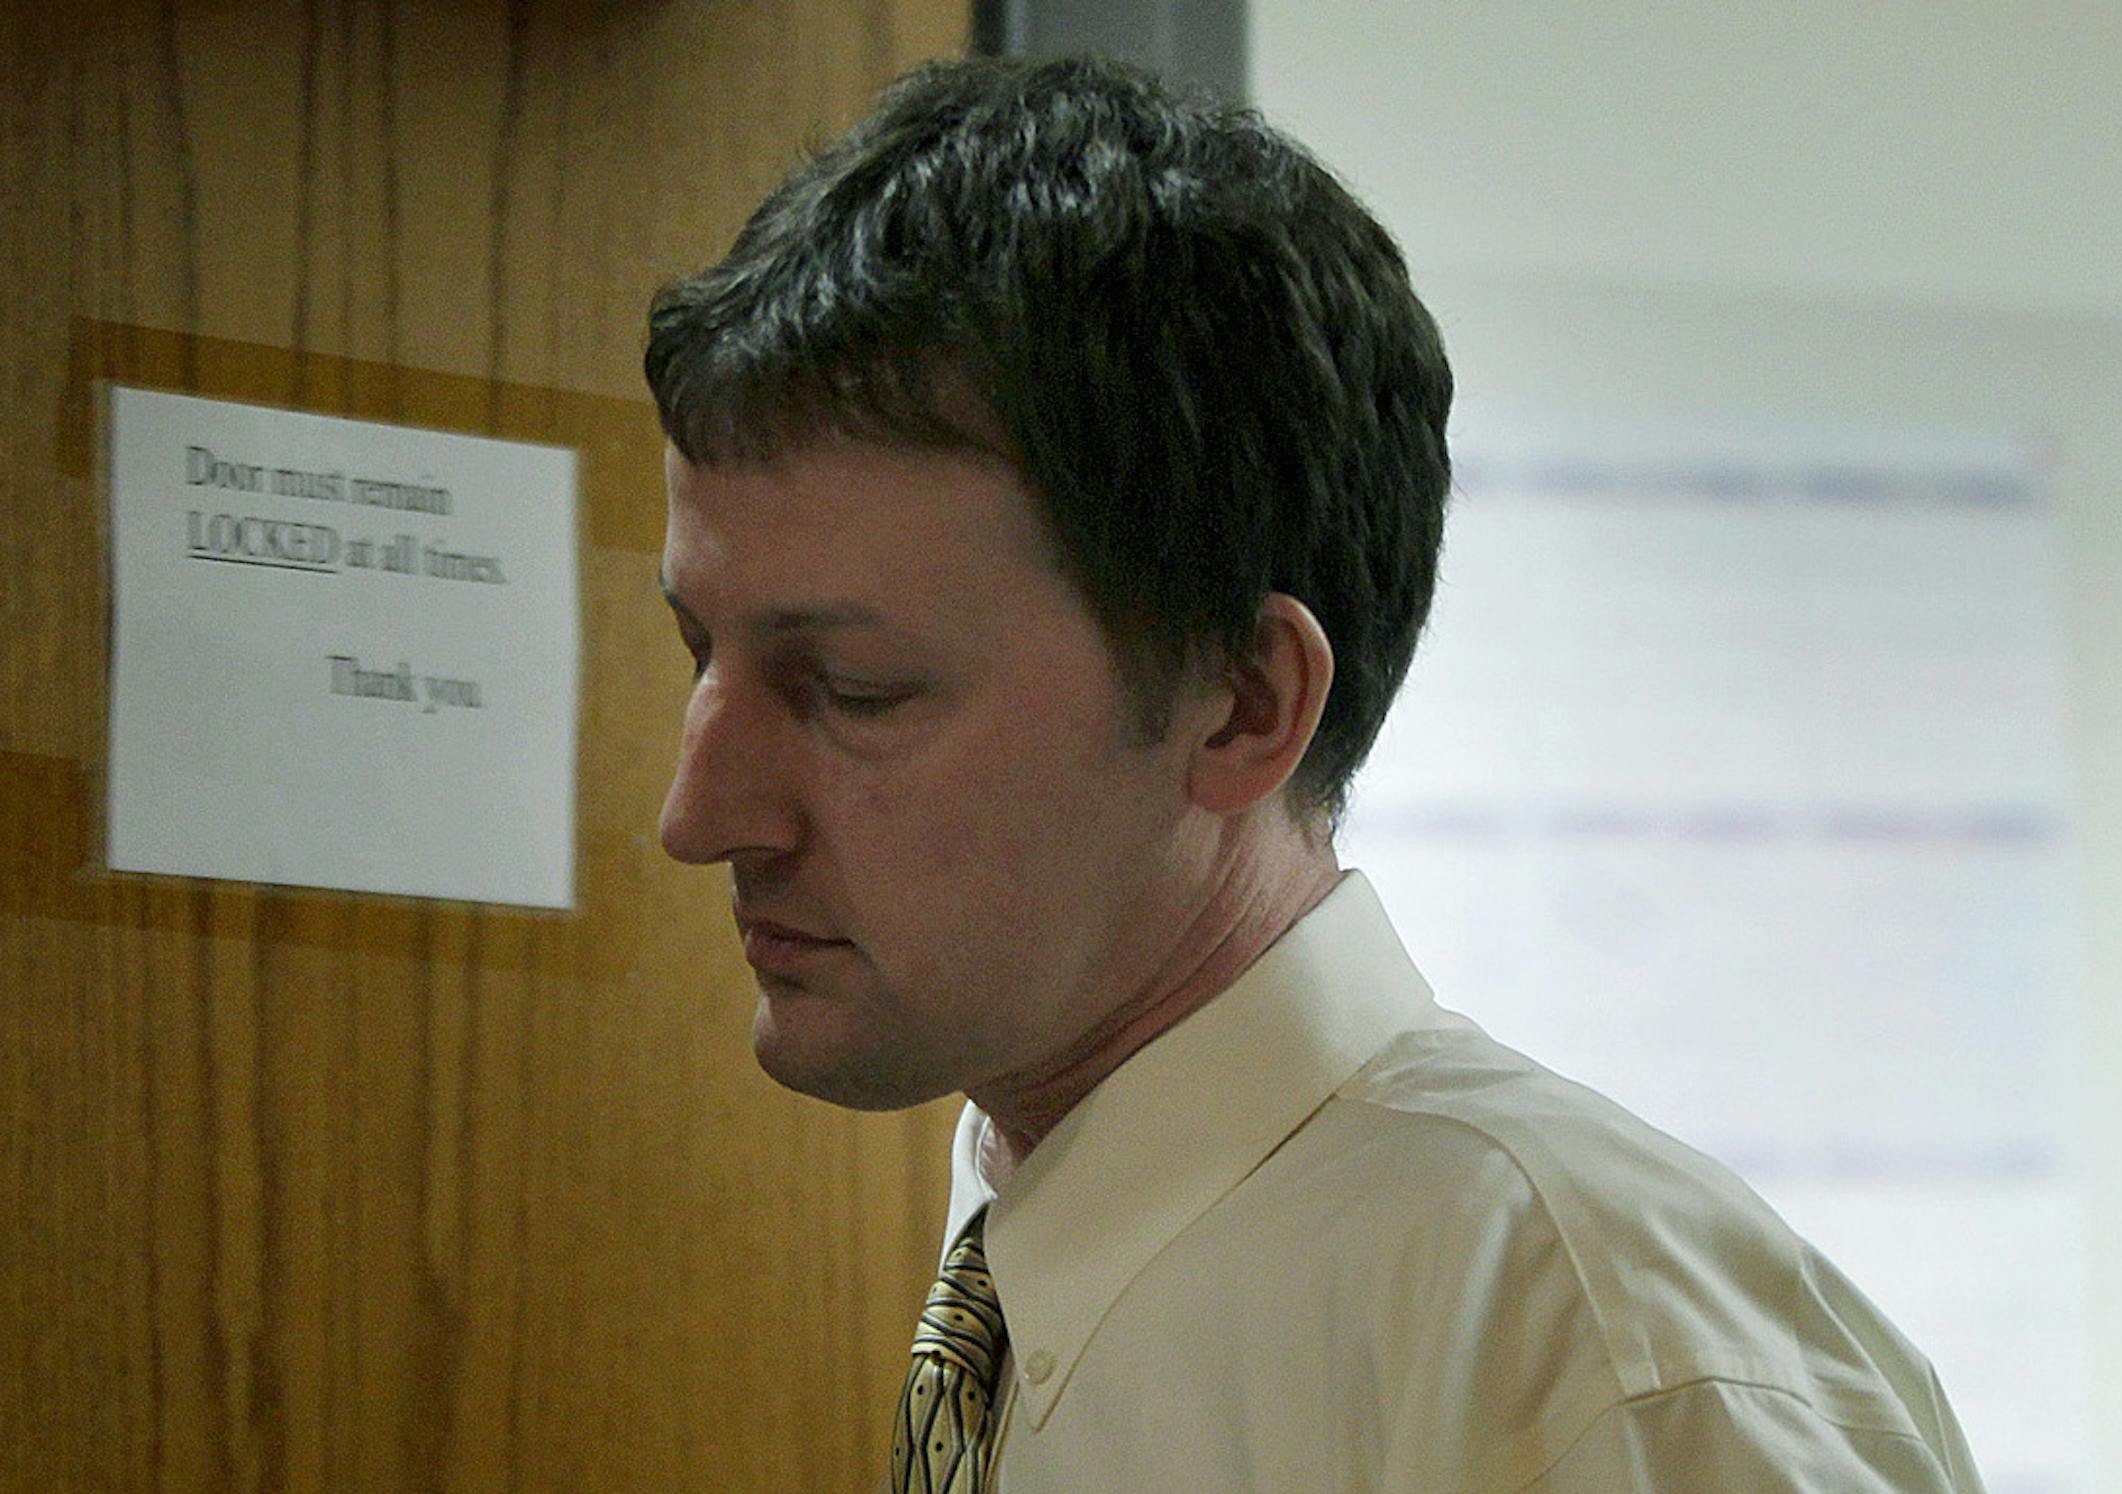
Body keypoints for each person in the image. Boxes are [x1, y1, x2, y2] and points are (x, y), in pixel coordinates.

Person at [644, 53, 1985, 1494]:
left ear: (1242, 706)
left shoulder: (1592, 1369)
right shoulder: (1047, 1261)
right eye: (698, 651)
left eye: (854, 691)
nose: (699, 814)